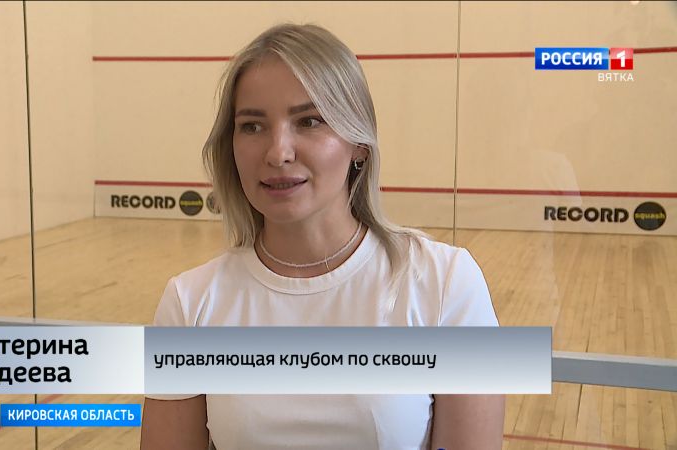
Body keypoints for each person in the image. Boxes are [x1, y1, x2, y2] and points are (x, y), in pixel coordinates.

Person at [141, 23, 504, 450]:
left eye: (309, 121)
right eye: (252, 126)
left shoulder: (447, 283)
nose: (278, 152)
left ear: (359, 144)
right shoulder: (189, 302)